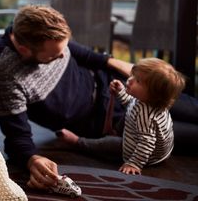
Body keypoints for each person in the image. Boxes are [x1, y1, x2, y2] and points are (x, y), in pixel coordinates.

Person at [0, 4, 198, 190]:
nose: (62, 56)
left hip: (122, 87)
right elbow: (16, 137)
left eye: (64, 48)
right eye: (54, 55)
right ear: (24, 50)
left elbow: (88, 55)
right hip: (113, 123)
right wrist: (32, 159)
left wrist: (132, 71)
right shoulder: (5, 71)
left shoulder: (42, 33)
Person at [57, 58, 186, 175]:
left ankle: (79, 142)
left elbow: (146, 143)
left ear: (153, 94)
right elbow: (131, 103)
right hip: (154, 147)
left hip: (145, 154)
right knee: (126, 115)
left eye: (138, 81)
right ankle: (116, 134)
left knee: (106, 144)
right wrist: (120, 92)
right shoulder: (146, 102)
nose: (130, 80)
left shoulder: (145, 115)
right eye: (133, 75)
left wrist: (134, 163)